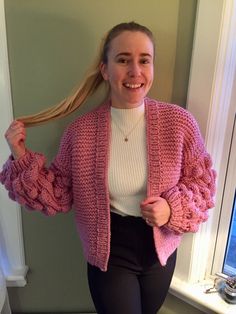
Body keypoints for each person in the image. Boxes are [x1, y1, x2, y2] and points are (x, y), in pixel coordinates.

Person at [0, 22, 216, 314]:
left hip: (160, 252)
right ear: (105, 69)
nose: (135, 71)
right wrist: (20, 154)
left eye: (144, 60)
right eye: (123, 59)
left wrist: (171, 209)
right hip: (110, 252)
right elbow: (58, 194)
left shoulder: (179, 124)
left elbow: (202, 186)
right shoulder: (81, 132)